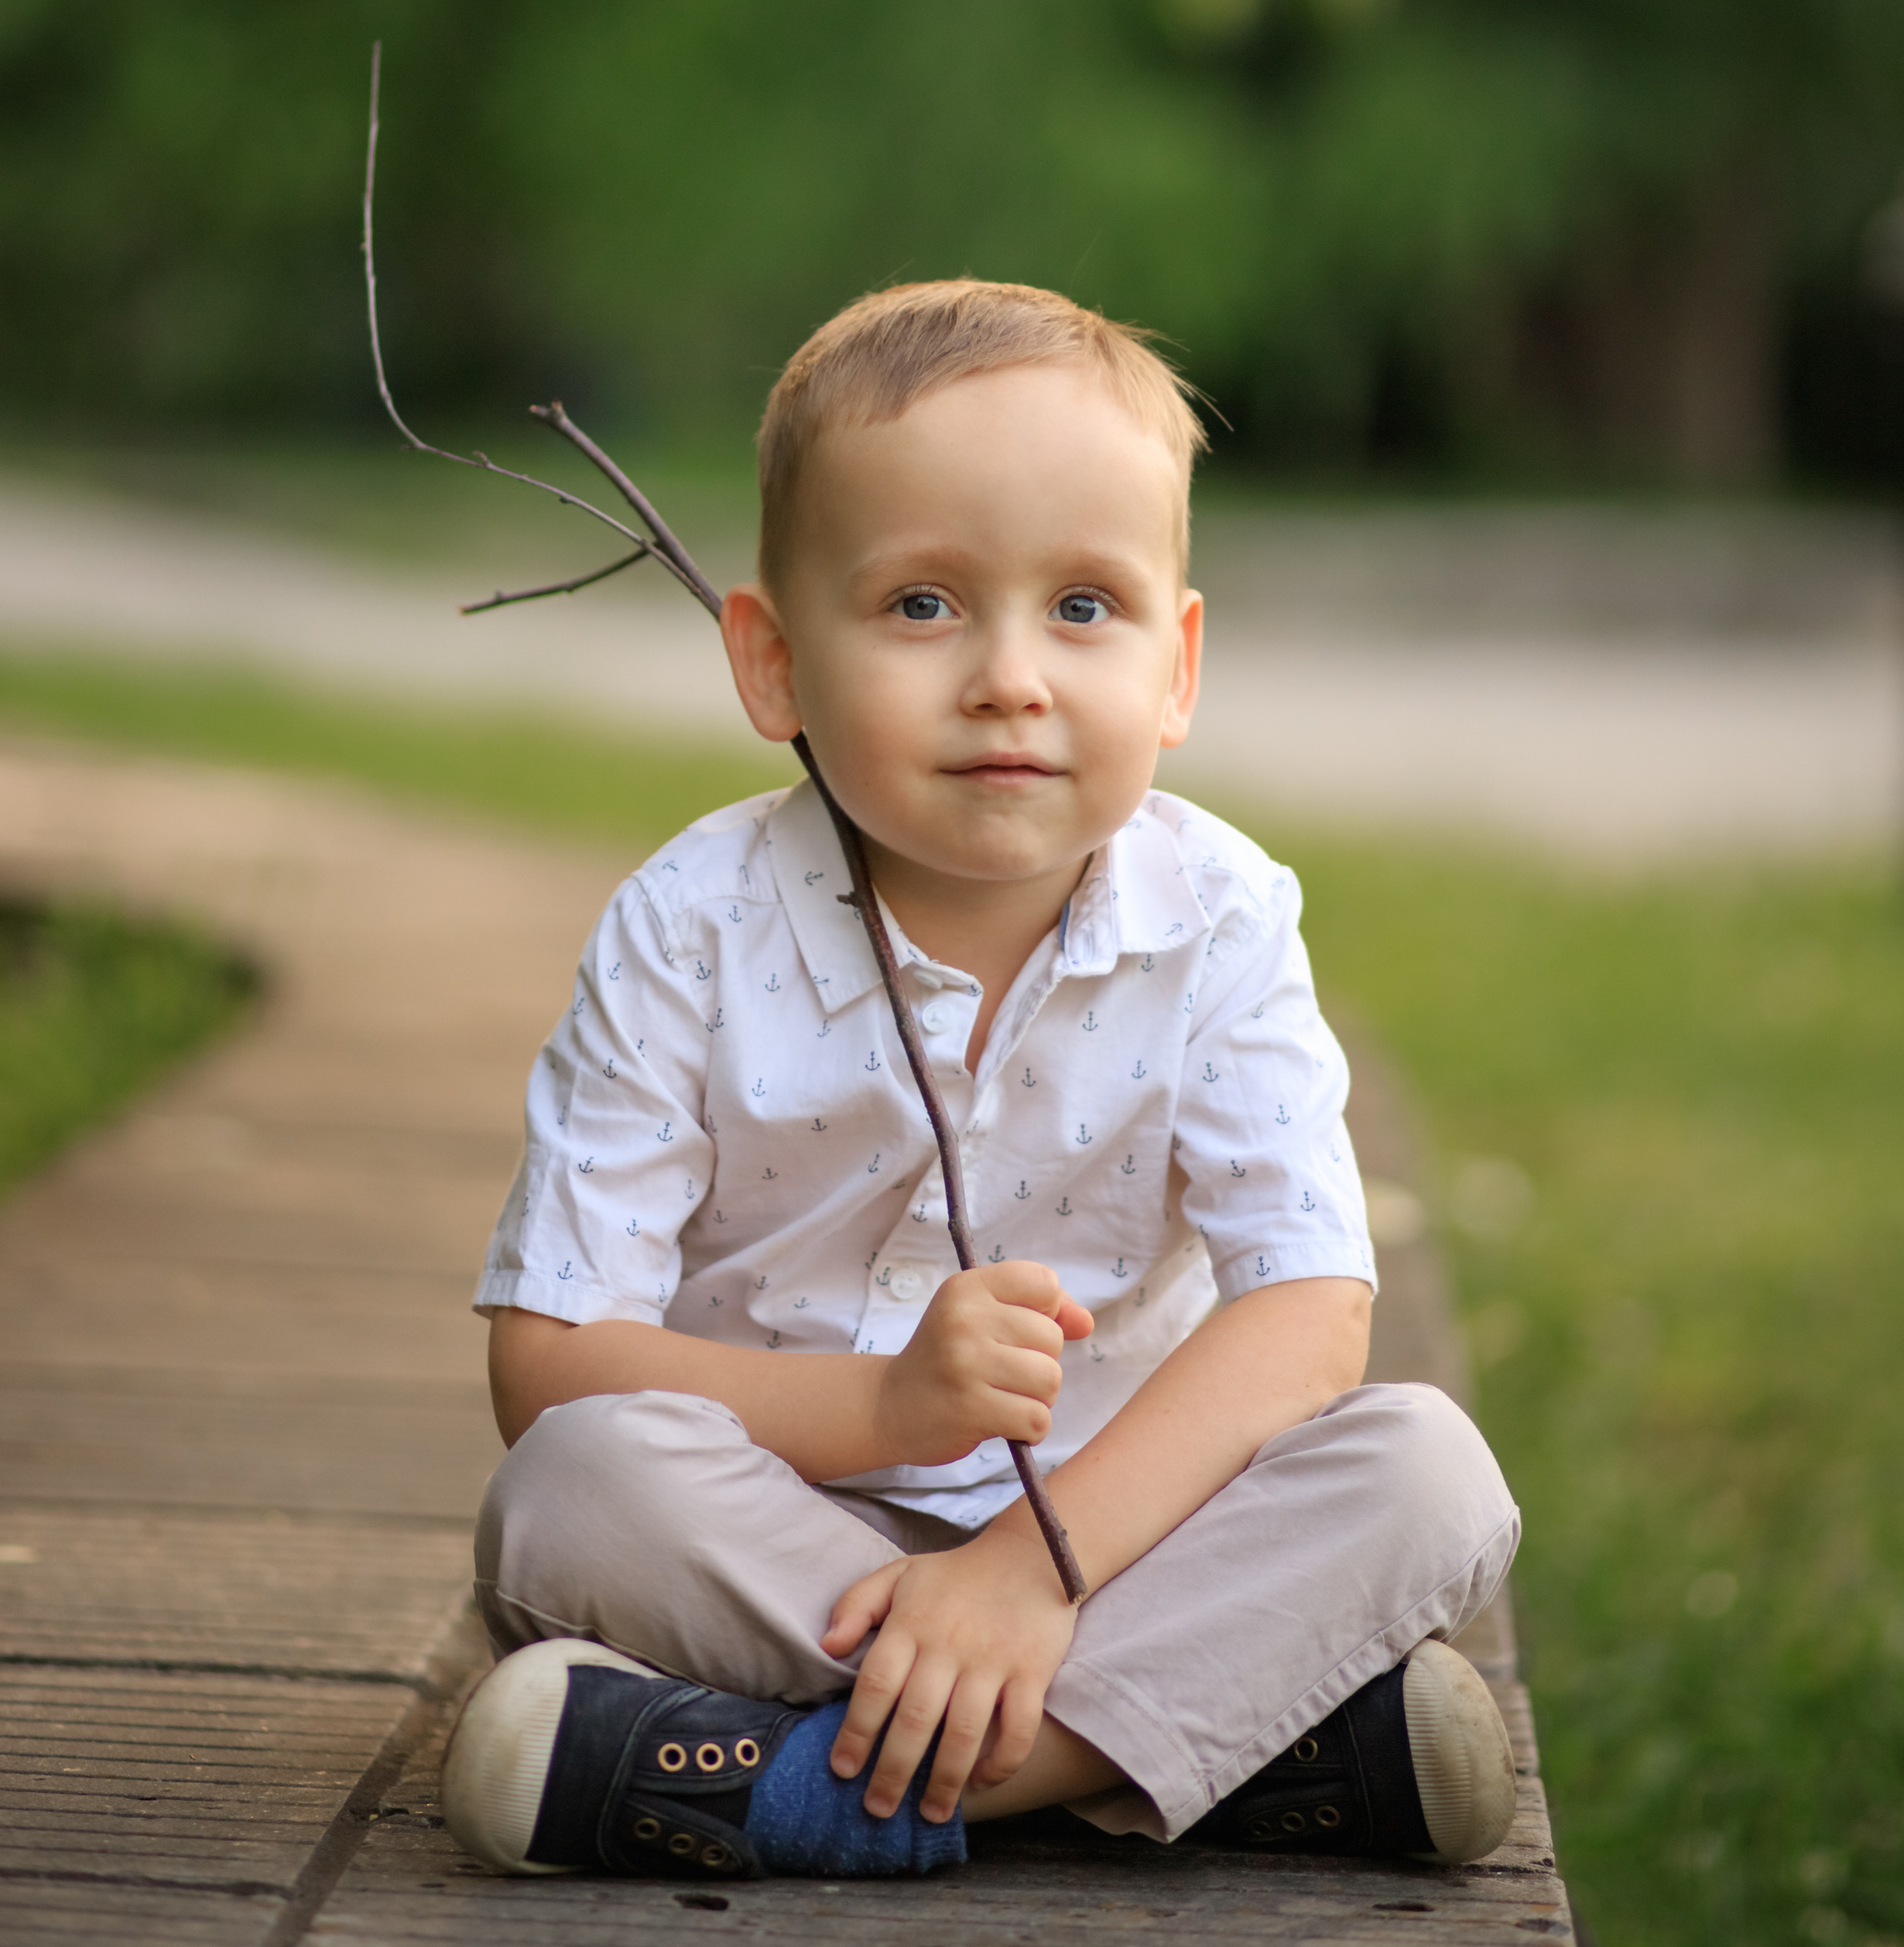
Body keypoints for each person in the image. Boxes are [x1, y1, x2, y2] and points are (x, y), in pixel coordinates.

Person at [442, 280, 1520, 1886]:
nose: (1009, 676)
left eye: (1083, 608)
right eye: (923, 606)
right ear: (771, 661)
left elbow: (1304, 1316)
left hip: (1121, 1551)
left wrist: (1030, 1568)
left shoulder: (1219, 921)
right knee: (570, 1491)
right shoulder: (688, 925)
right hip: (783, 1543)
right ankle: (1217, 1755)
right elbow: (548, 1362)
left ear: (1176, 664)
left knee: (1427, 1475)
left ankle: (801, 1787)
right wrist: (883, 1410)